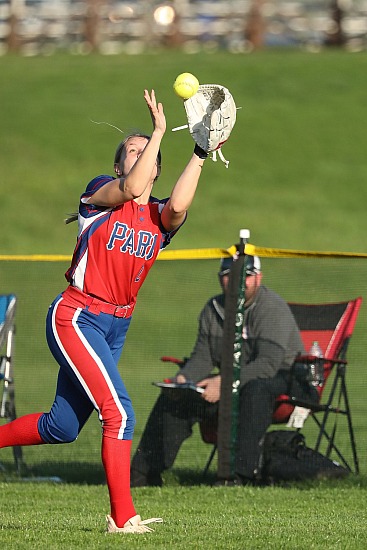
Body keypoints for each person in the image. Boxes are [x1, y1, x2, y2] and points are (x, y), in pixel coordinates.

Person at [0, 89, 209, 534]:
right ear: (118, 167)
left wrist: (200, 151)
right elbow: (131, 188)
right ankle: (123, 518)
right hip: (76, 316)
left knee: (62, 425)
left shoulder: (157, 218)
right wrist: (155, 130)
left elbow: (179, 206)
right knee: (120, 414)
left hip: (115, 325)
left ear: (157, 166)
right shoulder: (98, 194)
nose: (139, 157)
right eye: (130, 153)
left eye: (146, 153)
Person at [130, 254, 319, 487]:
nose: (238, 281)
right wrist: (184, 379)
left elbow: (268, 364)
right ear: (221, 279)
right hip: (234, 381)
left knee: (255, 390)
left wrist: (223, 383)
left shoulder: (271, 308)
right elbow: (203, 357)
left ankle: (239, 476)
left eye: (246, 276)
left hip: (284, 380)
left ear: (258, 278)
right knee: (176, 397)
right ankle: (142, 474)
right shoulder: (213, 309)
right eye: (229, 276)